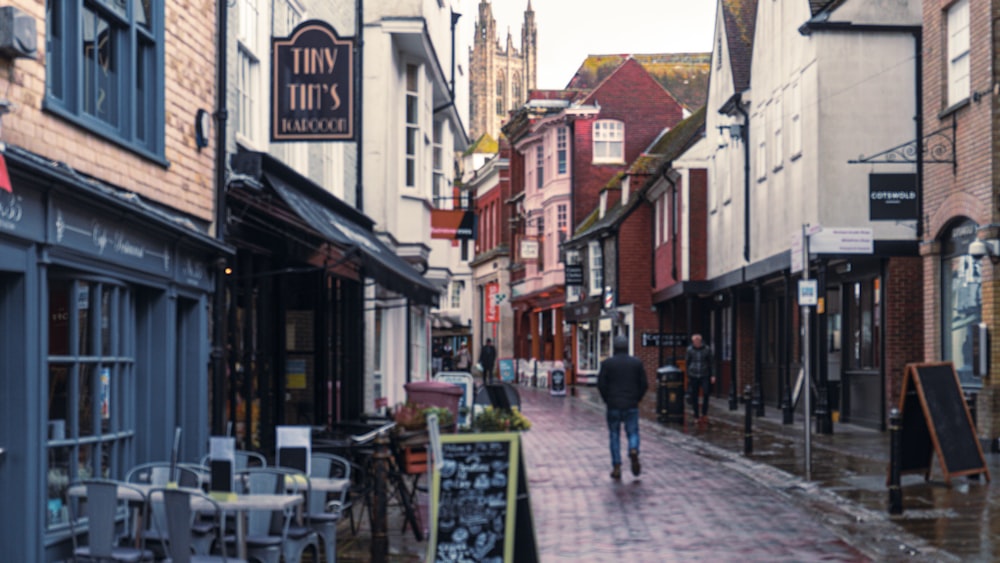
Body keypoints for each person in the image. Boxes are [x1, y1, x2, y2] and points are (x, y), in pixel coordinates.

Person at [597, 334, 648, 480]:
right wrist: (637, 398)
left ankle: (617, 466)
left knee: (614, 435)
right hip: (631, 403)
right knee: (633, 432)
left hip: (613, 404)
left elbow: (601, 384)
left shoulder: (607, 364)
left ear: (614, 348)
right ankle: (633, 448)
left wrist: (607, 399)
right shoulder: (636, 363)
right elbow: (644, 384)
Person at [685, 333, 715, 426]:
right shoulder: (690, 350)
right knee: (694, 395)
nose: (697, 342)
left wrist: (713, 375)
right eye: (695, 341)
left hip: (704, 374)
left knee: (706, 393)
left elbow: (711, 362)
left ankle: (704, 414)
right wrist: (689, 373)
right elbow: (687, 362)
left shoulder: (707, 349)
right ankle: (696, 415)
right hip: (694, 375)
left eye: (698, 341)